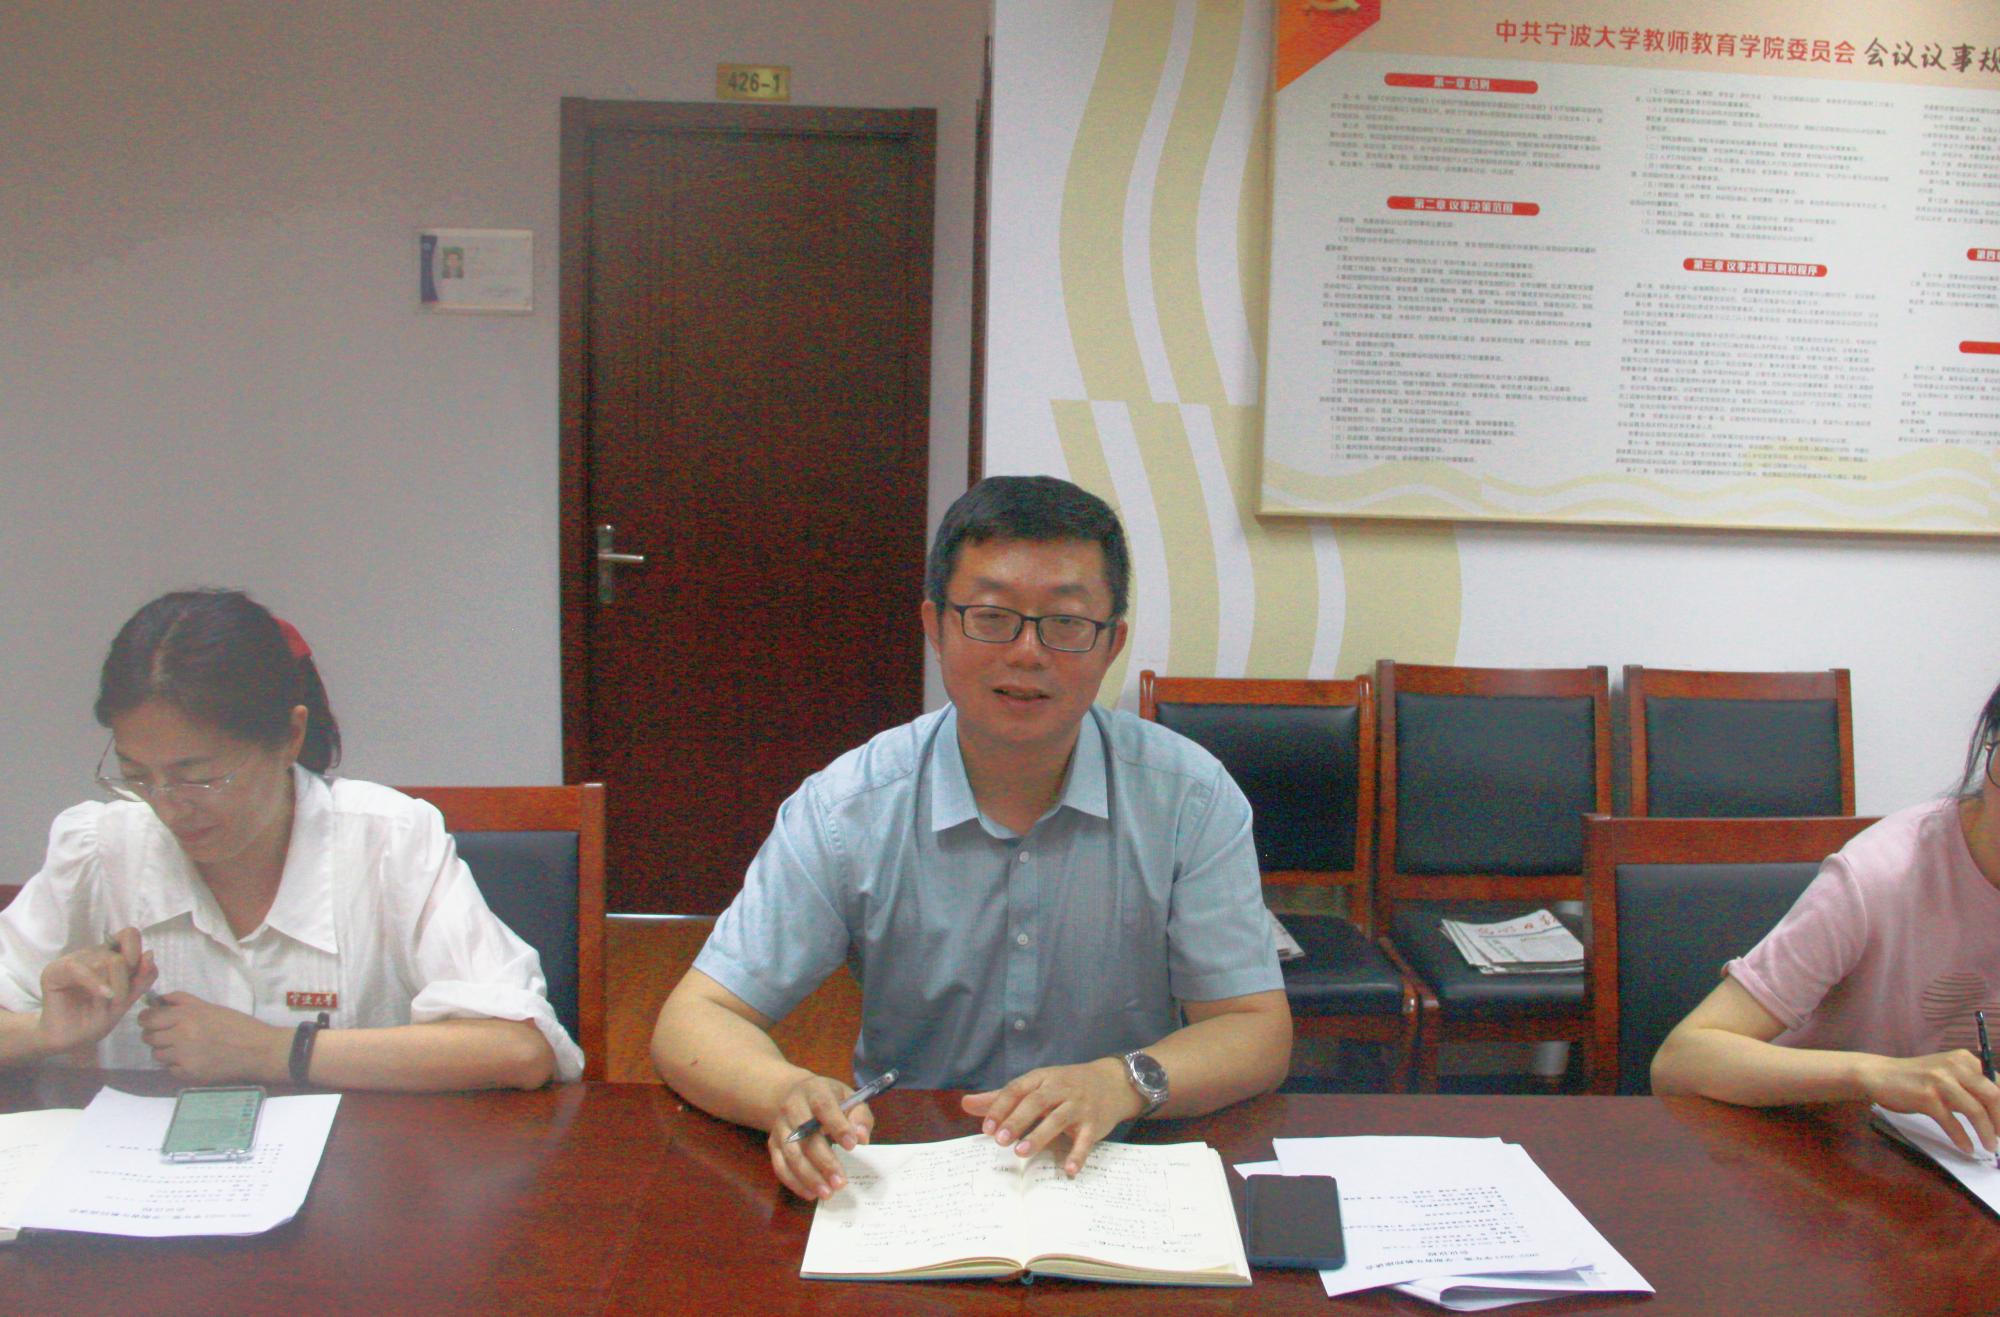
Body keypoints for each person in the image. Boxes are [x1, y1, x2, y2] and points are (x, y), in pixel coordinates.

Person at [652, 475, 1290, 1199]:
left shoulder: (1189, 797)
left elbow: (1254, 1029)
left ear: (1111, 642)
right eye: (991, 617)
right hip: (909, 1170)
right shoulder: (849, 807)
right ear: (935, 625)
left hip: (1120, 1161)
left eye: (1066, 622)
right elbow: (695, 1019)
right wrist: (782, 1092)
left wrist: (1122, 1081)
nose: (1027, 652)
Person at [0, 589, 583, 1089]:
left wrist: (277, 1050)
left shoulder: (388, 839)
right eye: (137, 776)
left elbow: (518, 1048)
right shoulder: (100, 845)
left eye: (198, 776)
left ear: (289, 736)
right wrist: (43, 1031)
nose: (167, 805)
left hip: (360, 1171)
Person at [1653, 677, 2000, 1154]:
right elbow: (1681, 1060)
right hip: (1819, 1150)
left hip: (1963, 1161)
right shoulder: (1880, 874)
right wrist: (1872, 1073)